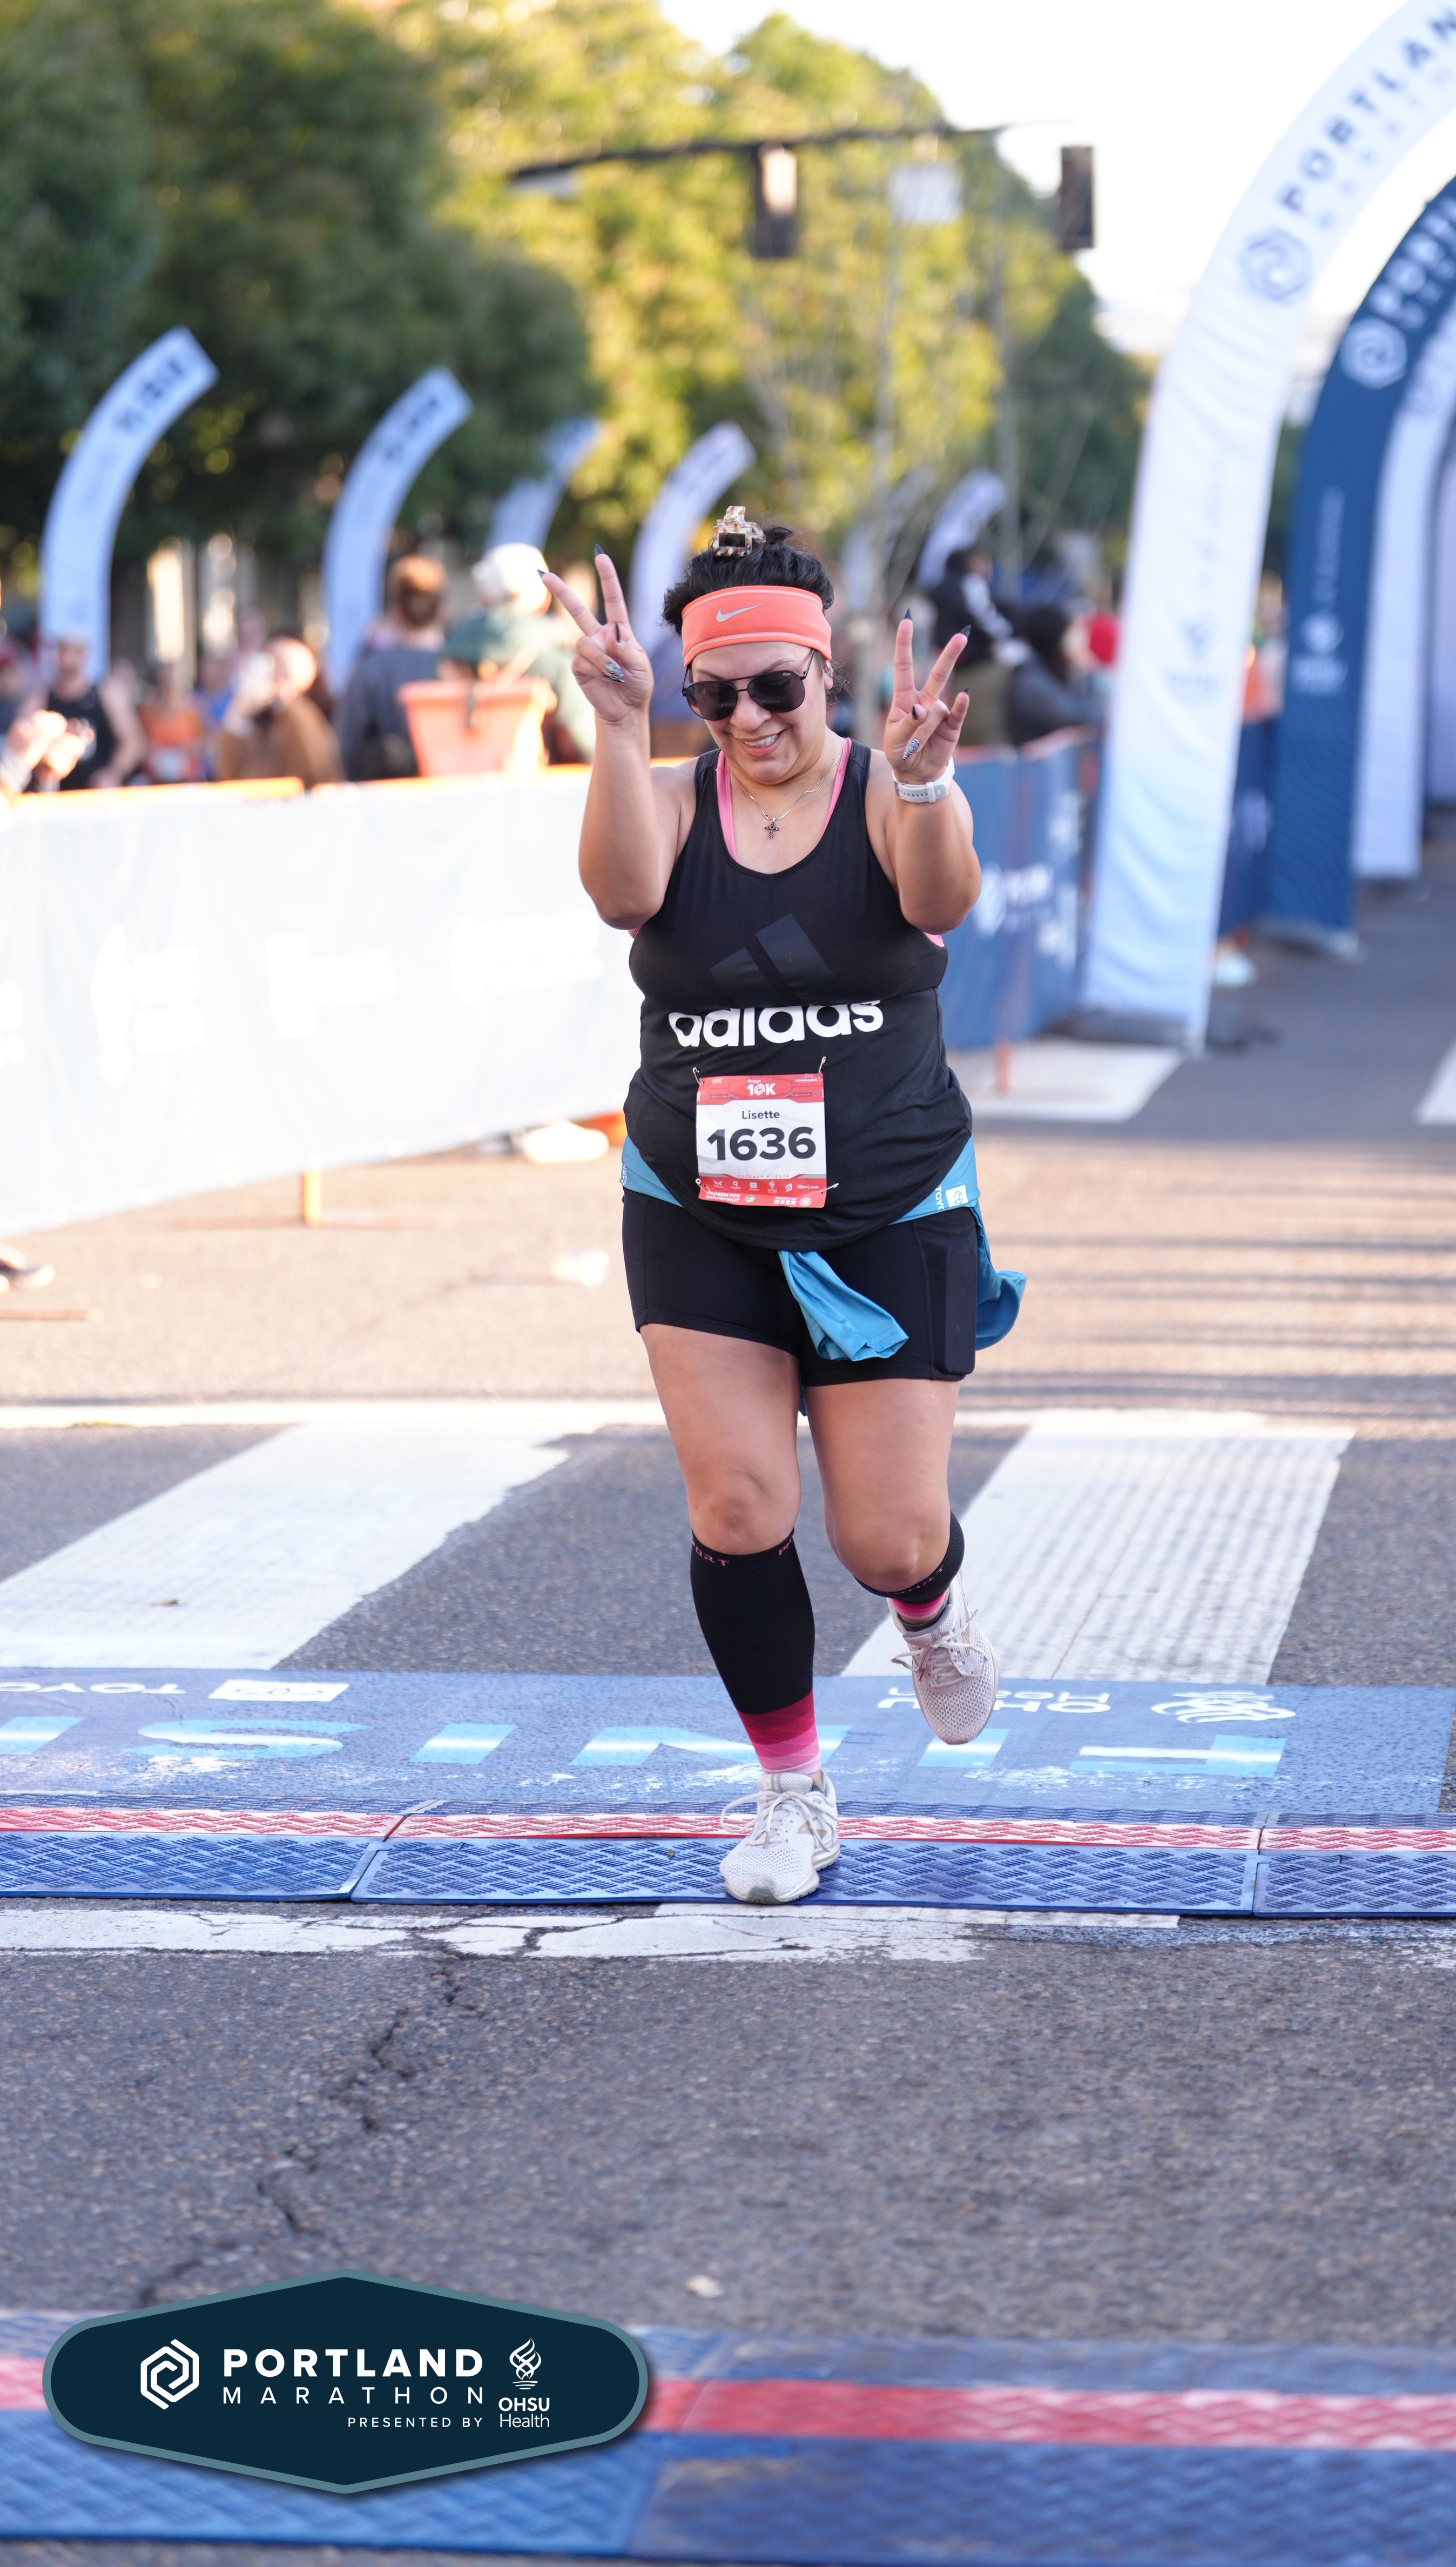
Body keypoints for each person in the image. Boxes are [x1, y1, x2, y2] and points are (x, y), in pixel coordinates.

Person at [545, 505, 1022, 1907]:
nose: (750, 719)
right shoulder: (670, 797)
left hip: (887, 1204)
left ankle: (928, 1610)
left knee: (886, 1536)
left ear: (827, 673)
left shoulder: (884, 788)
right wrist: (620, 727)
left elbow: (944, 898)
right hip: (698, 1201)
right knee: (741, 1502)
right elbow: (621, 896)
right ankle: (792, 1792)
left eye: (776, 688)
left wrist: (928, 784)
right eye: (717, 696)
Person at [443, 542, 594, 762]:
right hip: (537, 780)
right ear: (545, 599)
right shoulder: (560, 665)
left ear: (484, 596)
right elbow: (589, 747)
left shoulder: (447, 653)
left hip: (450, 772)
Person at [336, 555, 447, 780]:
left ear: (396, 609)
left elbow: (347, 747)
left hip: (384, 795)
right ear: (441, 609)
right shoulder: (466, 669)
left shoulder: (369, 671)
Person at [213, 636, 342, 788]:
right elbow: (226, 771)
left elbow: (317, 770)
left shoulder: (307, 716)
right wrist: (239, 711)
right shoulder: (256, 716)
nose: (275, 670)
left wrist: (284, 701)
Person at [928, 545, 1017, 749]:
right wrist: (1008, 634)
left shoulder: (942, 588)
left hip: (955, 666)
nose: (989, 567)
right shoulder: (971, 584)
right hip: (978, 663)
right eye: (984, 561)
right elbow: (986, 618)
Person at [32, 633, 145, 790]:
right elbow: (24, 744)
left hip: (97, 793)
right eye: (63, 650)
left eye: (74, 651)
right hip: (57, 793)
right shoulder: (41, 699)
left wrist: (113, 773)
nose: (67, 657)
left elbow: (133, 743)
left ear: (84, 654)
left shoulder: (107, 694)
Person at [1006, 603, 1104, 748]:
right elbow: (1079, 716)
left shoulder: (1059, 670)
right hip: (1034, 761)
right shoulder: (1030, 681)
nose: (1078, 643)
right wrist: (1088, 673)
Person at [139, 660, 211, 785]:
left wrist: (191, 750)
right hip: (155, 781)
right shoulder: (148, 713)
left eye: (173, 680)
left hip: (188, 780)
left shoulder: (195, 711)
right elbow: (142, 746)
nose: (170, 684)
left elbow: (206, 744)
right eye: (166, 679)